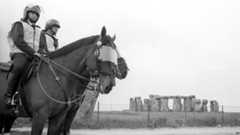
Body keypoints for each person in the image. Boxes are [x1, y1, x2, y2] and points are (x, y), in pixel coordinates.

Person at [4, 4, 42, 105]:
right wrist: (33, 52)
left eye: (36, 14)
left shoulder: (38, 29)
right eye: (32, 13)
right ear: (27, 13)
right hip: (20, 53)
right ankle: (8, 95)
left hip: (34, 56)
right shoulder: (19, 24)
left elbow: (40, 45)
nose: (34, 16)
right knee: (19, 66)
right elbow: (18, 40)